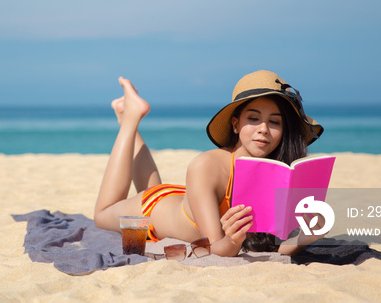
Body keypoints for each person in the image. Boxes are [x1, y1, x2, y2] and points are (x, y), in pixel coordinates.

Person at [94, 70, 325, 257]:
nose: (263, 129)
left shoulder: (280, 172)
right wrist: (233, 240)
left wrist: (306, 235)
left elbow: (277, 250)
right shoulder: (206, 165)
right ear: (235, 125)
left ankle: (129, 118)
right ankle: (130, 119)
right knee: (102, 214)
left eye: (274, 122)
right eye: (253, 118)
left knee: (150, 188)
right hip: (153, 208)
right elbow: (216, 248)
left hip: (187, 198)